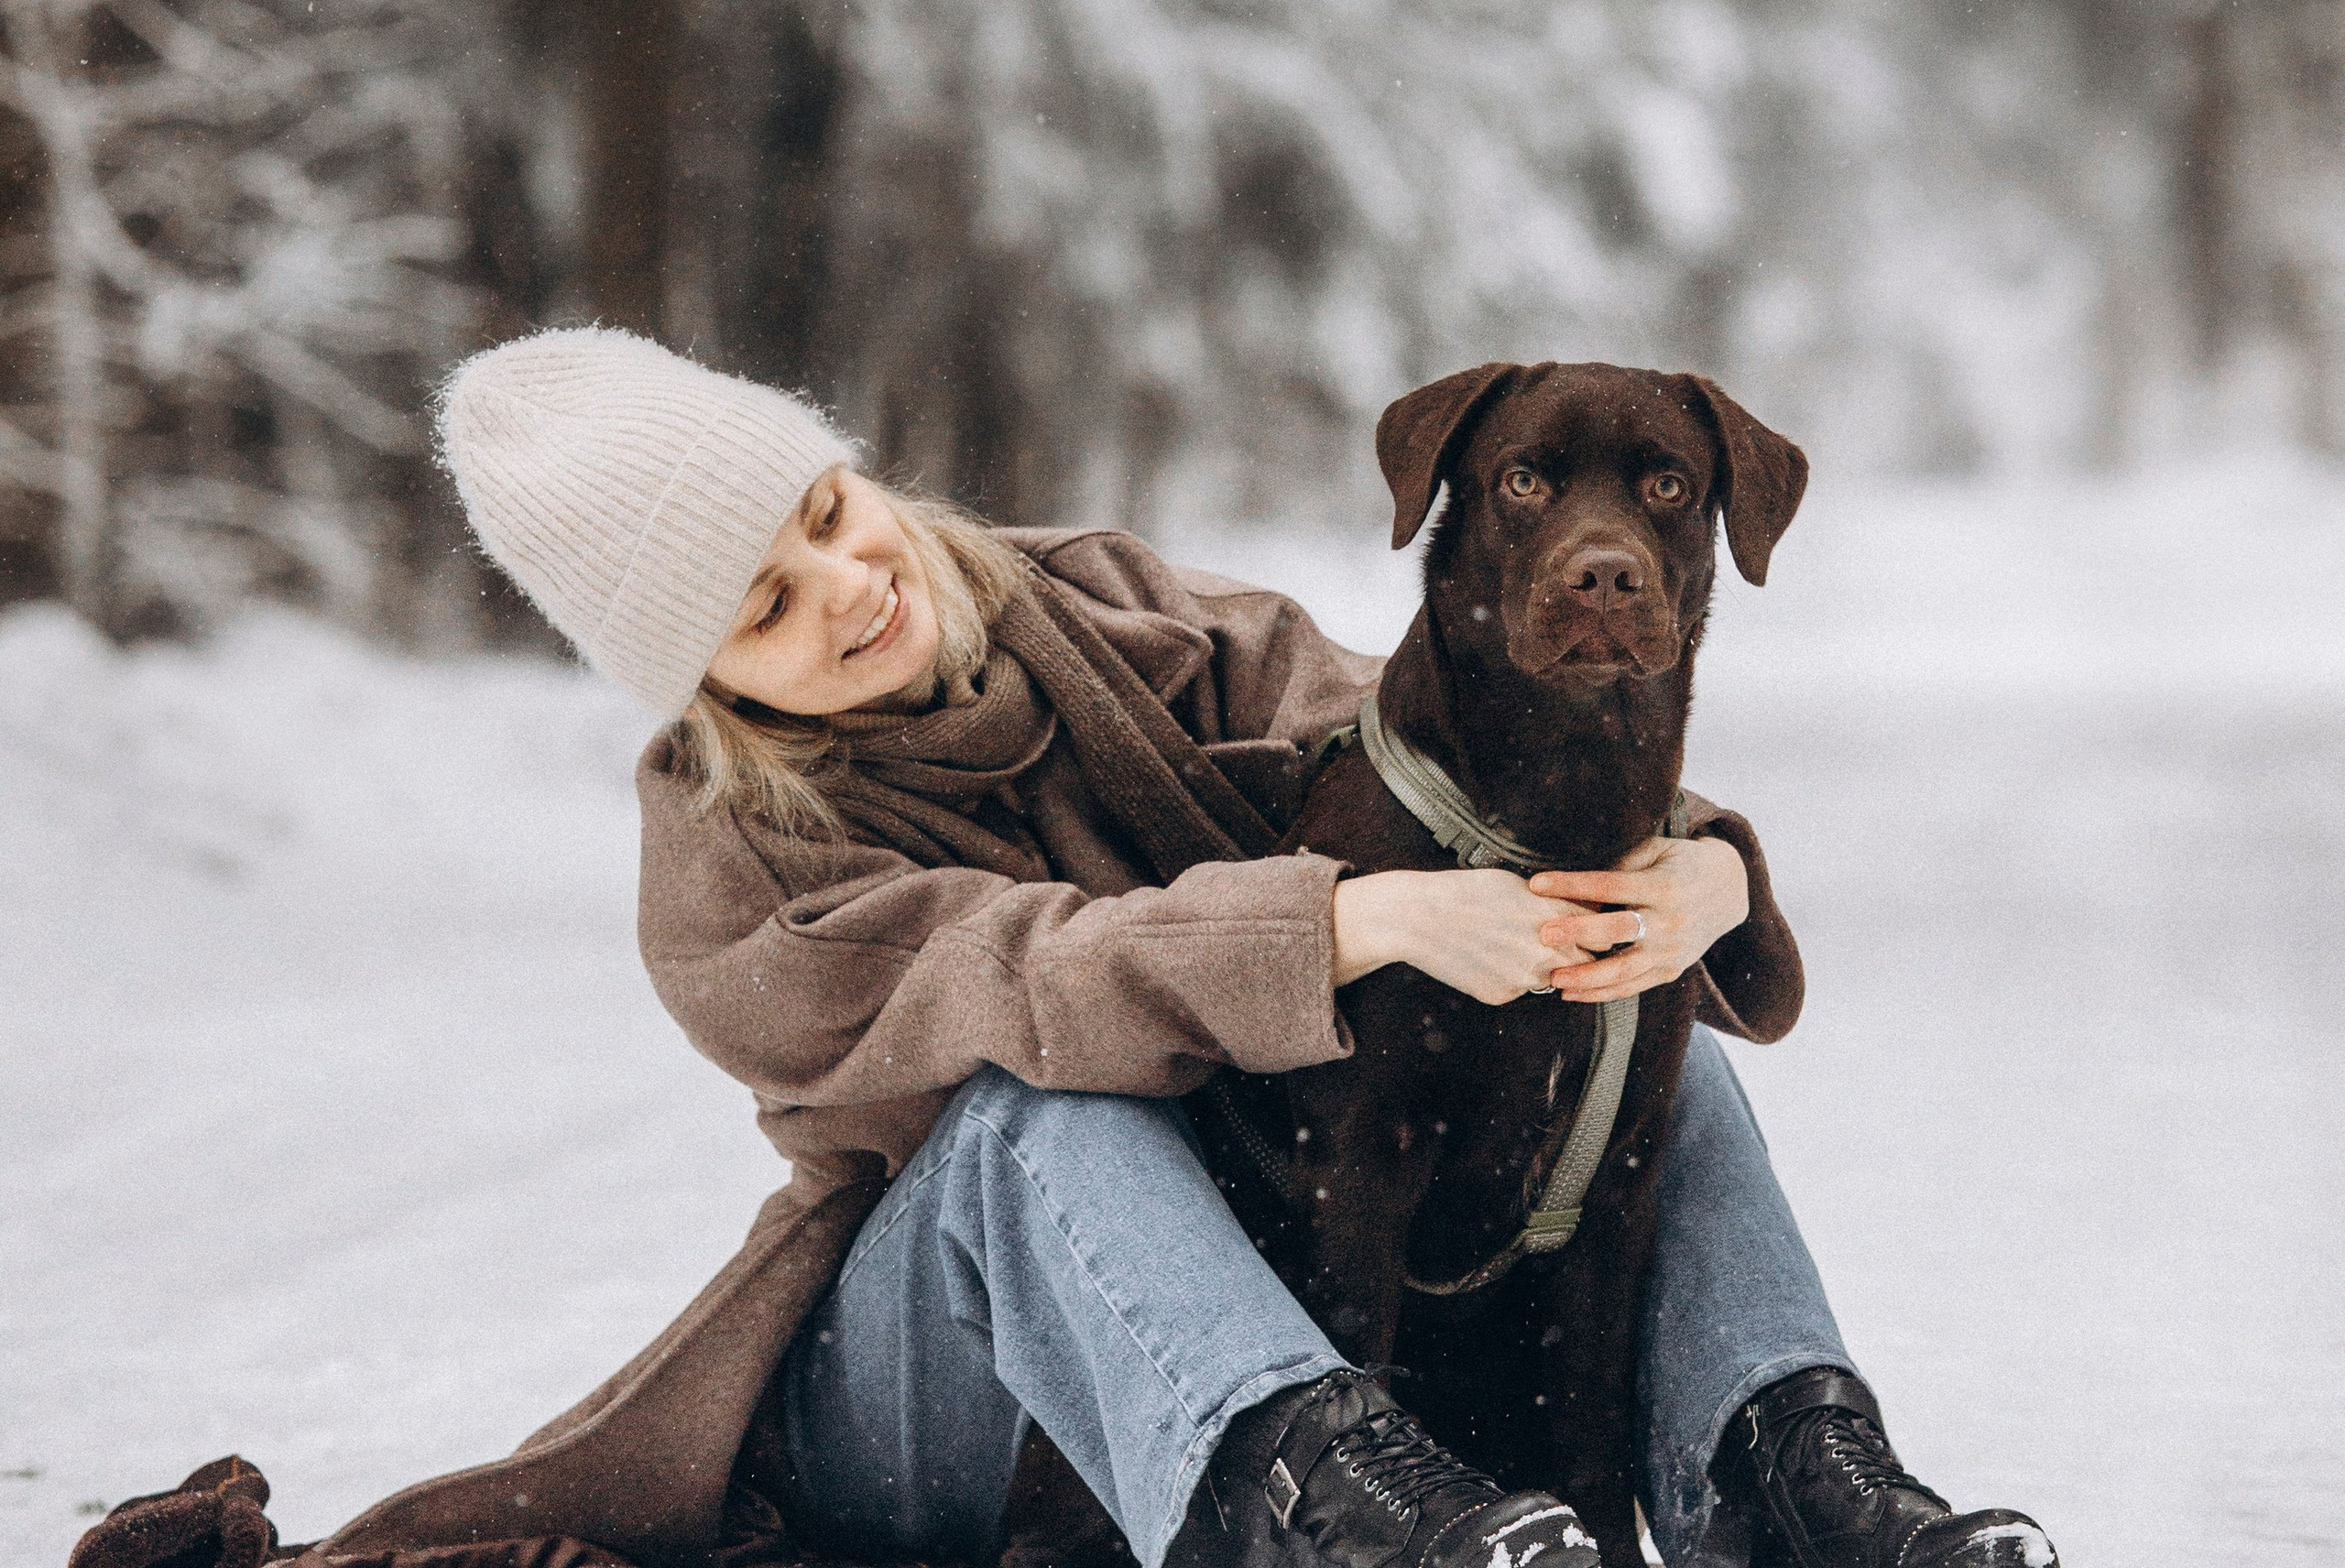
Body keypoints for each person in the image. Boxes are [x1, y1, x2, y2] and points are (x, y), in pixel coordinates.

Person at [405, 326, 2055, 1568]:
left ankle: (1787, 1472)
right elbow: (1027, 980)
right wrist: (1338, 922)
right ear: (703, 683)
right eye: (766, 605)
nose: (847, 585)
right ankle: (1321, 1510)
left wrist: (1696, 877)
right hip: (946, 1382)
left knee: (1621, 1019)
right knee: (1037, 1115)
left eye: (830, 512)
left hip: (1225, 1276)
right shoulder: (723, 869)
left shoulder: (1105, 609)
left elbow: (1439, 756)